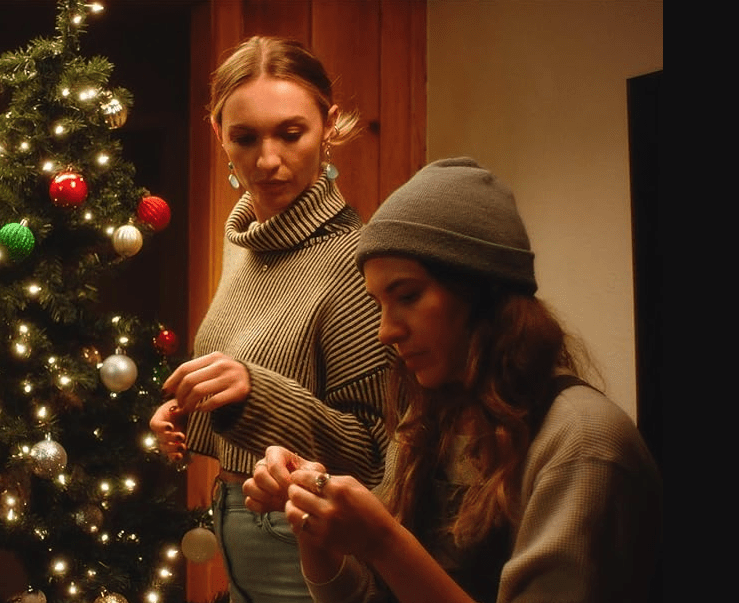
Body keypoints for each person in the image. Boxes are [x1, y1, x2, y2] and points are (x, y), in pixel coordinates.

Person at [243, 157, 662, 602]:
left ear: (483, 293)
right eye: (379, 303)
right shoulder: (425, 425)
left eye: (407, 296)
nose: (386, 330)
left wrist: (382, 541)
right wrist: (312, 525)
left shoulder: (582, 441)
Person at [149, 36, 392, 603]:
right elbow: (250, 386)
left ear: (328, 126)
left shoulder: (354, 260)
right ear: (218, 134)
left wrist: (253, 392)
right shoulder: (243, 244)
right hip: (232, 526)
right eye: (244, 137)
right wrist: (191, 412)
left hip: (307, 538)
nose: (267, 161)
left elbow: (375, 453)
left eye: (290, 133)